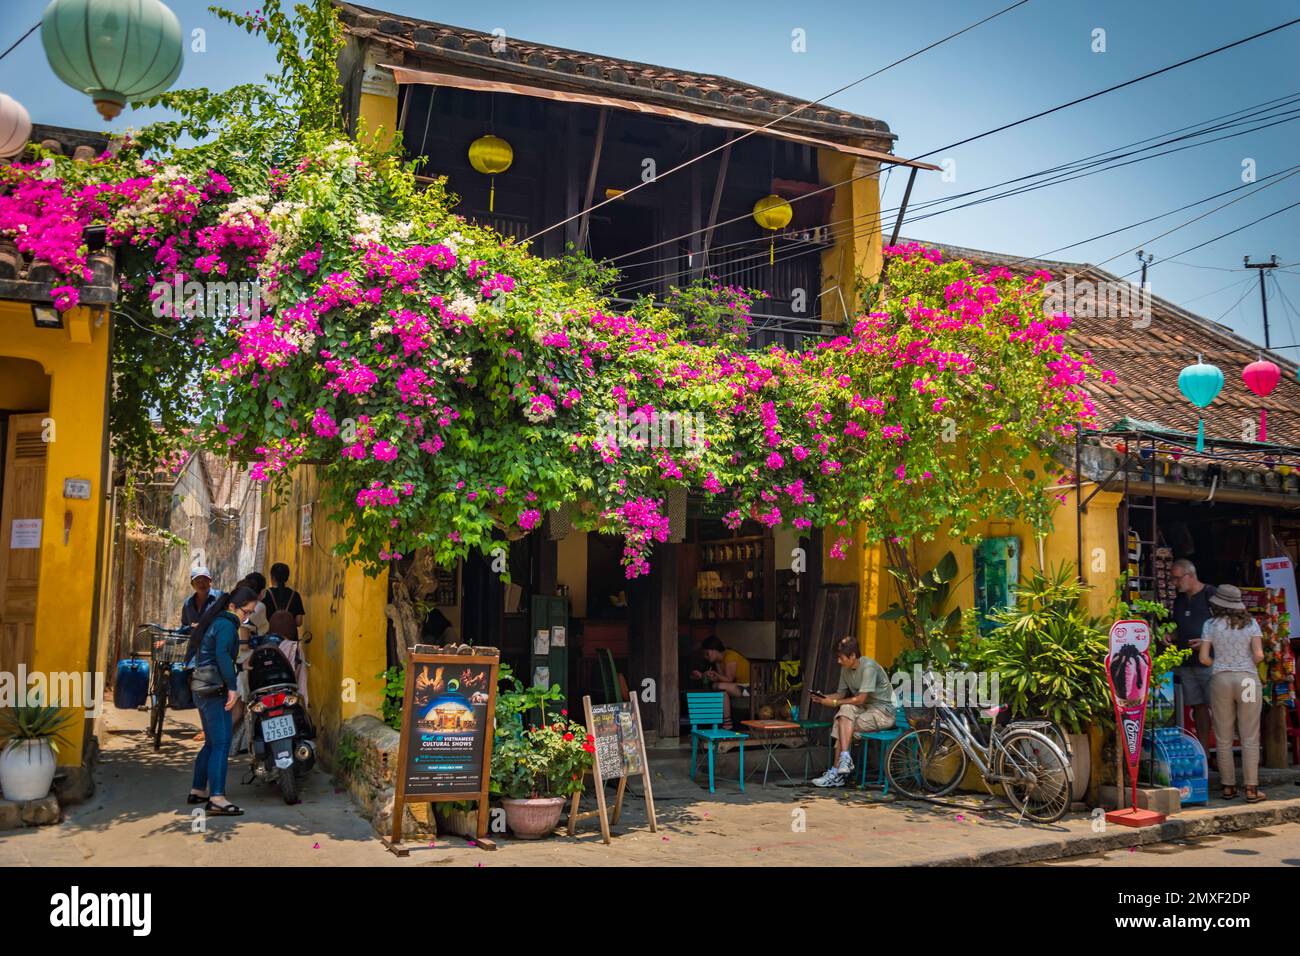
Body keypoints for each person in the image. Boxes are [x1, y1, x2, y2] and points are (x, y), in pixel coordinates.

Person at [188, 585, 259, 816]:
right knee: (221, 743)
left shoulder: (217, 622)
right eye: (245, 612)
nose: (246, 617)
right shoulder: (228, 625)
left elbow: (213, 656)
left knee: (211, 742)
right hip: (214, 691)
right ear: (232, 606)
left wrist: (239, 666)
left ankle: (198, 789)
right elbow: (220, 656)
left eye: (250, 613)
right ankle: (217, 797)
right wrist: (232, 688)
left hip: (202, 688)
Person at [1199, 584, 1266, 803]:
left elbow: (1204, 659)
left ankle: (1228, 787)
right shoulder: (1252, 624)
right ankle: (1251, 789)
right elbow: (1259, 655)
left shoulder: (1210, 625)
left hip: (1221, 680)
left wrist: (1220, 663)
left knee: (1223, 735)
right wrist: (1244, 663)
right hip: (1247, 679)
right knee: (1249, 735)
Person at [810, 637, 896, 788]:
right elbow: (840, 695)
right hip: (865, 711)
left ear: (852, 656)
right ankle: (844, 759)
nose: (838, 661)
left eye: (841, 658)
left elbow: (861, 699)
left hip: (883, 714)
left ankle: (836, 772)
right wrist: (824, 698)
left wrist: (834, 703)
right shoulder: (845, 669)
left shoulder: (868, 668)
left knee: (841, 723)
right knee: (845, 712)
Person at [1170, 559, 1216, 751]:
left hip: (1210, 661)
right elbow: (1178, 627)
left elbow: (1226, 627)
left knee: (1218, 706)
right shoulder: (1179, 601)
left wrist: (1207, 643)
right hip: (1187, 662)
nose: (1175, 583)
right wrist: (1169, 635)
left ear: (1190, 576)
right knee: (1197, 707)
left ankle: (1221, 751)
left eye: (1177, 578)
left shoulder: (1210, 595)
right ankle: (1204, 750)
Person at [690, 636, 749, 728]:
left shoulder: (730, 656)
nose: (705, 657)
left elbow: (729, 679)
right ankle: (727, 722)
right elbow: (722, 679)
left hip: (750, 688)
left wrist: (716, 675)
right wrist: (703, 675)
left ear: (714, 650)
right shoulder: (718, 662)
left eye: (707, 653)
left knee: (719, 686)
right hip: (736, 687)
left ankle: (727, 722)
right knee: (721, 691)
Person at [181, 566, 223, 639]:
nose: (201, 584)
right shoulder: (188, 604)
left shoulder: (221, 598)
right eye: (197, 581)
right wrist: (167, 641)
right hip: (195, 648)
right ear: (192, 584)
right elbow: (185, 630)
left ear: (210, 581)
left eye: (205, 580)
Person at [263, 563, 306, 629]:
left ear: (272, 577)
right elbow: (299, 622)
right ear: (286, 578)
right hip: (291, 636)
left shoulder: (265, 594)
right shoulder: (295, 595)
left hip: (271, 636)